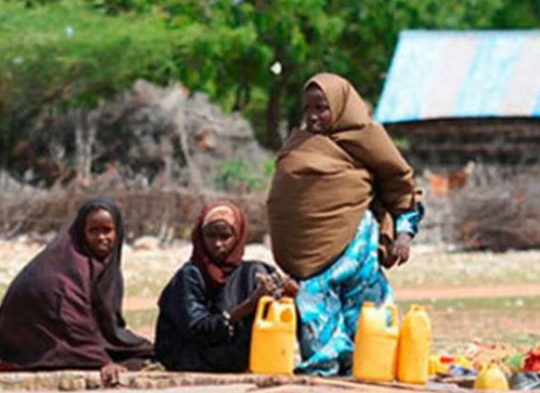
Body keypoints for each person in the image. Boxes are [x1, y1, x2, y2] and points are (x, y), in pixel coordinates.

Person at [266, 73, 423, 375]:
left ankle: (371, 366)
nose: (313, 117)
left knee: (367, 317)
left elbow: (401, 187)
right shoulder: (300, 144)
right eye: (307, 109)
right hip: (310, 255)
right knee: (315, 307)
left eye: (321, 108)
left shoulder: (368, 139)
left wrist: (403, 234)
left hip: (357, 247)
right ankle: (327, 372)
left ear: (340, 105)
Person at [0, 198, 153, 386]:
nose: (101, 238)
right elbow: (71, 322)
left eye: (107, 230)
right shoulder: (70, 268)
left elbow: (107, 324)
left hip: (76, 336)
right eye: (93, 231)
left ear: (118, 232)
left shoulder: (105, 266)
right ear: (81, 233)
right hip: (37, 345)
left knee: (145, 353)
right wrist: (102, 361)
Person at [154, 202, 296, 373]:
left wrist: (288, 293)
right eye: (211, 236)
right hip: (193, 353)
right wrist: (248, 305)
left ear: (238, 237)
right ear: (200, 236)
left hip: (228, 349)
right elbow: (198, 329)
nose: (218, 244)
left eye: (225, 237)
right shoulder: (189, 276)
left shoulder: (247, 273)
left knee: (258, 271)